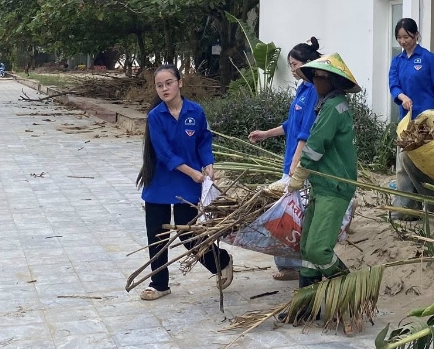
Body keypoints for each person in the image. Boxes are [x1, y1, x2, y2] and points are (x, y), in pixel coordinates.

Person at [137, 65, 233, 301]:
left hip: (188, 185)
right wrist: (192, 172)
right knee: (156, 236)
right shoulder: (155, 116)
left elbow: (203, 141)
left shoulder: (196, 111)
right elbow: (164, 153)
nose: (164, 88)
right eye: (159, 85)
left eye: (169, 83)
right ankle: (159, 284)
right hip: (160, 183)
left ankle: (221, 261)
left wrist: (208, 164)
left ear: (180, 83)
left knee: (188, 235)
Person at [248, 37, 322, 280]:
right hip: (290, 159)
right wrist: (266, 134)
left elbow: (306, 130)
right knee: (286, 212)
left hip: (299, 163)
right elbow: (292, 124)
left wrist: (296, 163)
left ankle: (296, 265)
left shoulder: (314, 90)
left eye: (294, 65)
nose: (291, 70)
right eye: (290, 65)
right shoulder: (302, 89)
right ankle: (288, 264)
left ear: (308, 64)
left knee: (290, 215)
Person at [287, 53, 359, 290]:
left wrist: (298, 175)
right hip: (322, 185)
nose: (316, 81)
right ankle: (306, 307)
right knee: (307, 249)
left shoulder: (332, 107)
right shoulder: (328, 104)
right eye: (315, 77)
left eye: (322, 77)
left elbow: (316, 146)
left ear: (334, 82)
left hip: (334, 187)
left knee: (318, 250)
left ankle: (351, 291)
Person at [388, 18, 434, 216]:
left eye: (406, 37)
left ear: (416, 35)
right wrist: (402, 96)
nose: (403, 41)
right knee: (402, 165)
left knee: (421, 162)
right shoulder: (397, 61)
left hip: (427, 120)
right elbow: (394, 85)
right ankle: (405, 207)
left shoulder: (429, 58)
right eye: (399, 38)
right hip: (407, 120)